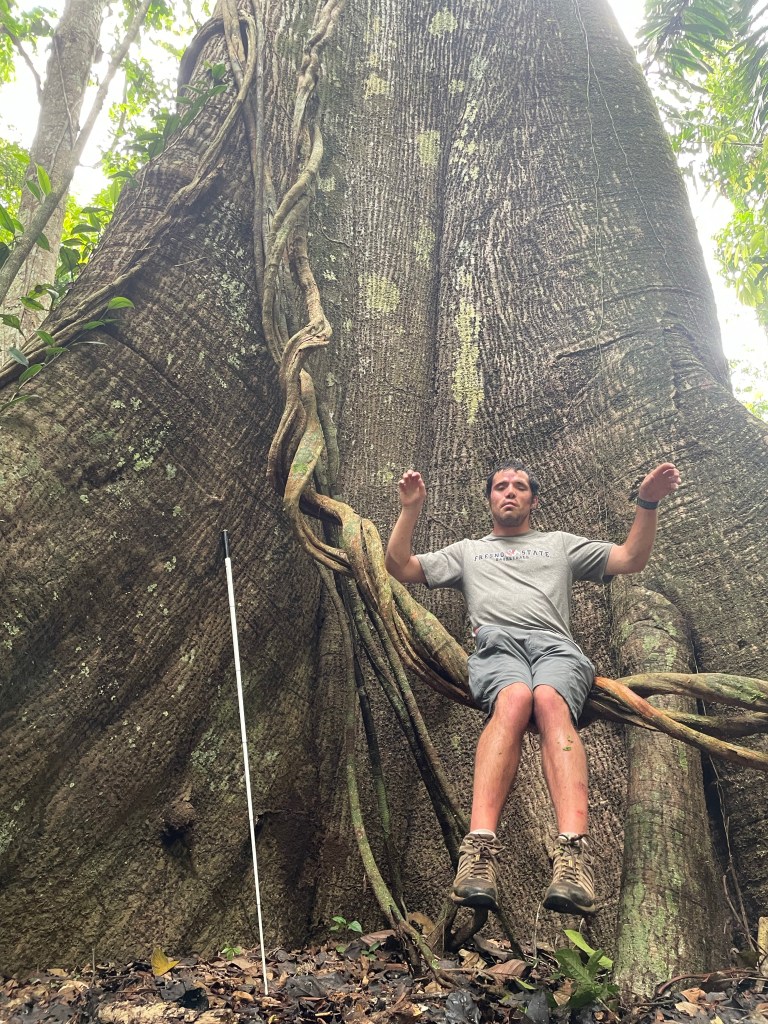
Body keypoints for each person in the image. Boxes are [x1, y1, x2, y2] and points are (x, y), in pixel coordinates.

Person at [384, 460, 681, 915]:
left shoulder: (559, 544)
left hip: (556, 650)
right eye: (501, 486)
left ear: (533, 500)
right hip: (497, 647)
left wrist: (648, 502)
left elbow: (630, 558)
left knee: (547, 699)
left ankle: (572, 856)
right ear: (489, 499)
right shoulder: (468, 551)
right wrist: (410, 509)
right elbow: (399, 567)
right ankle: (479, 850)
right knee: (516, 697)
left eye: (519, 487)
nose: (509, 492)